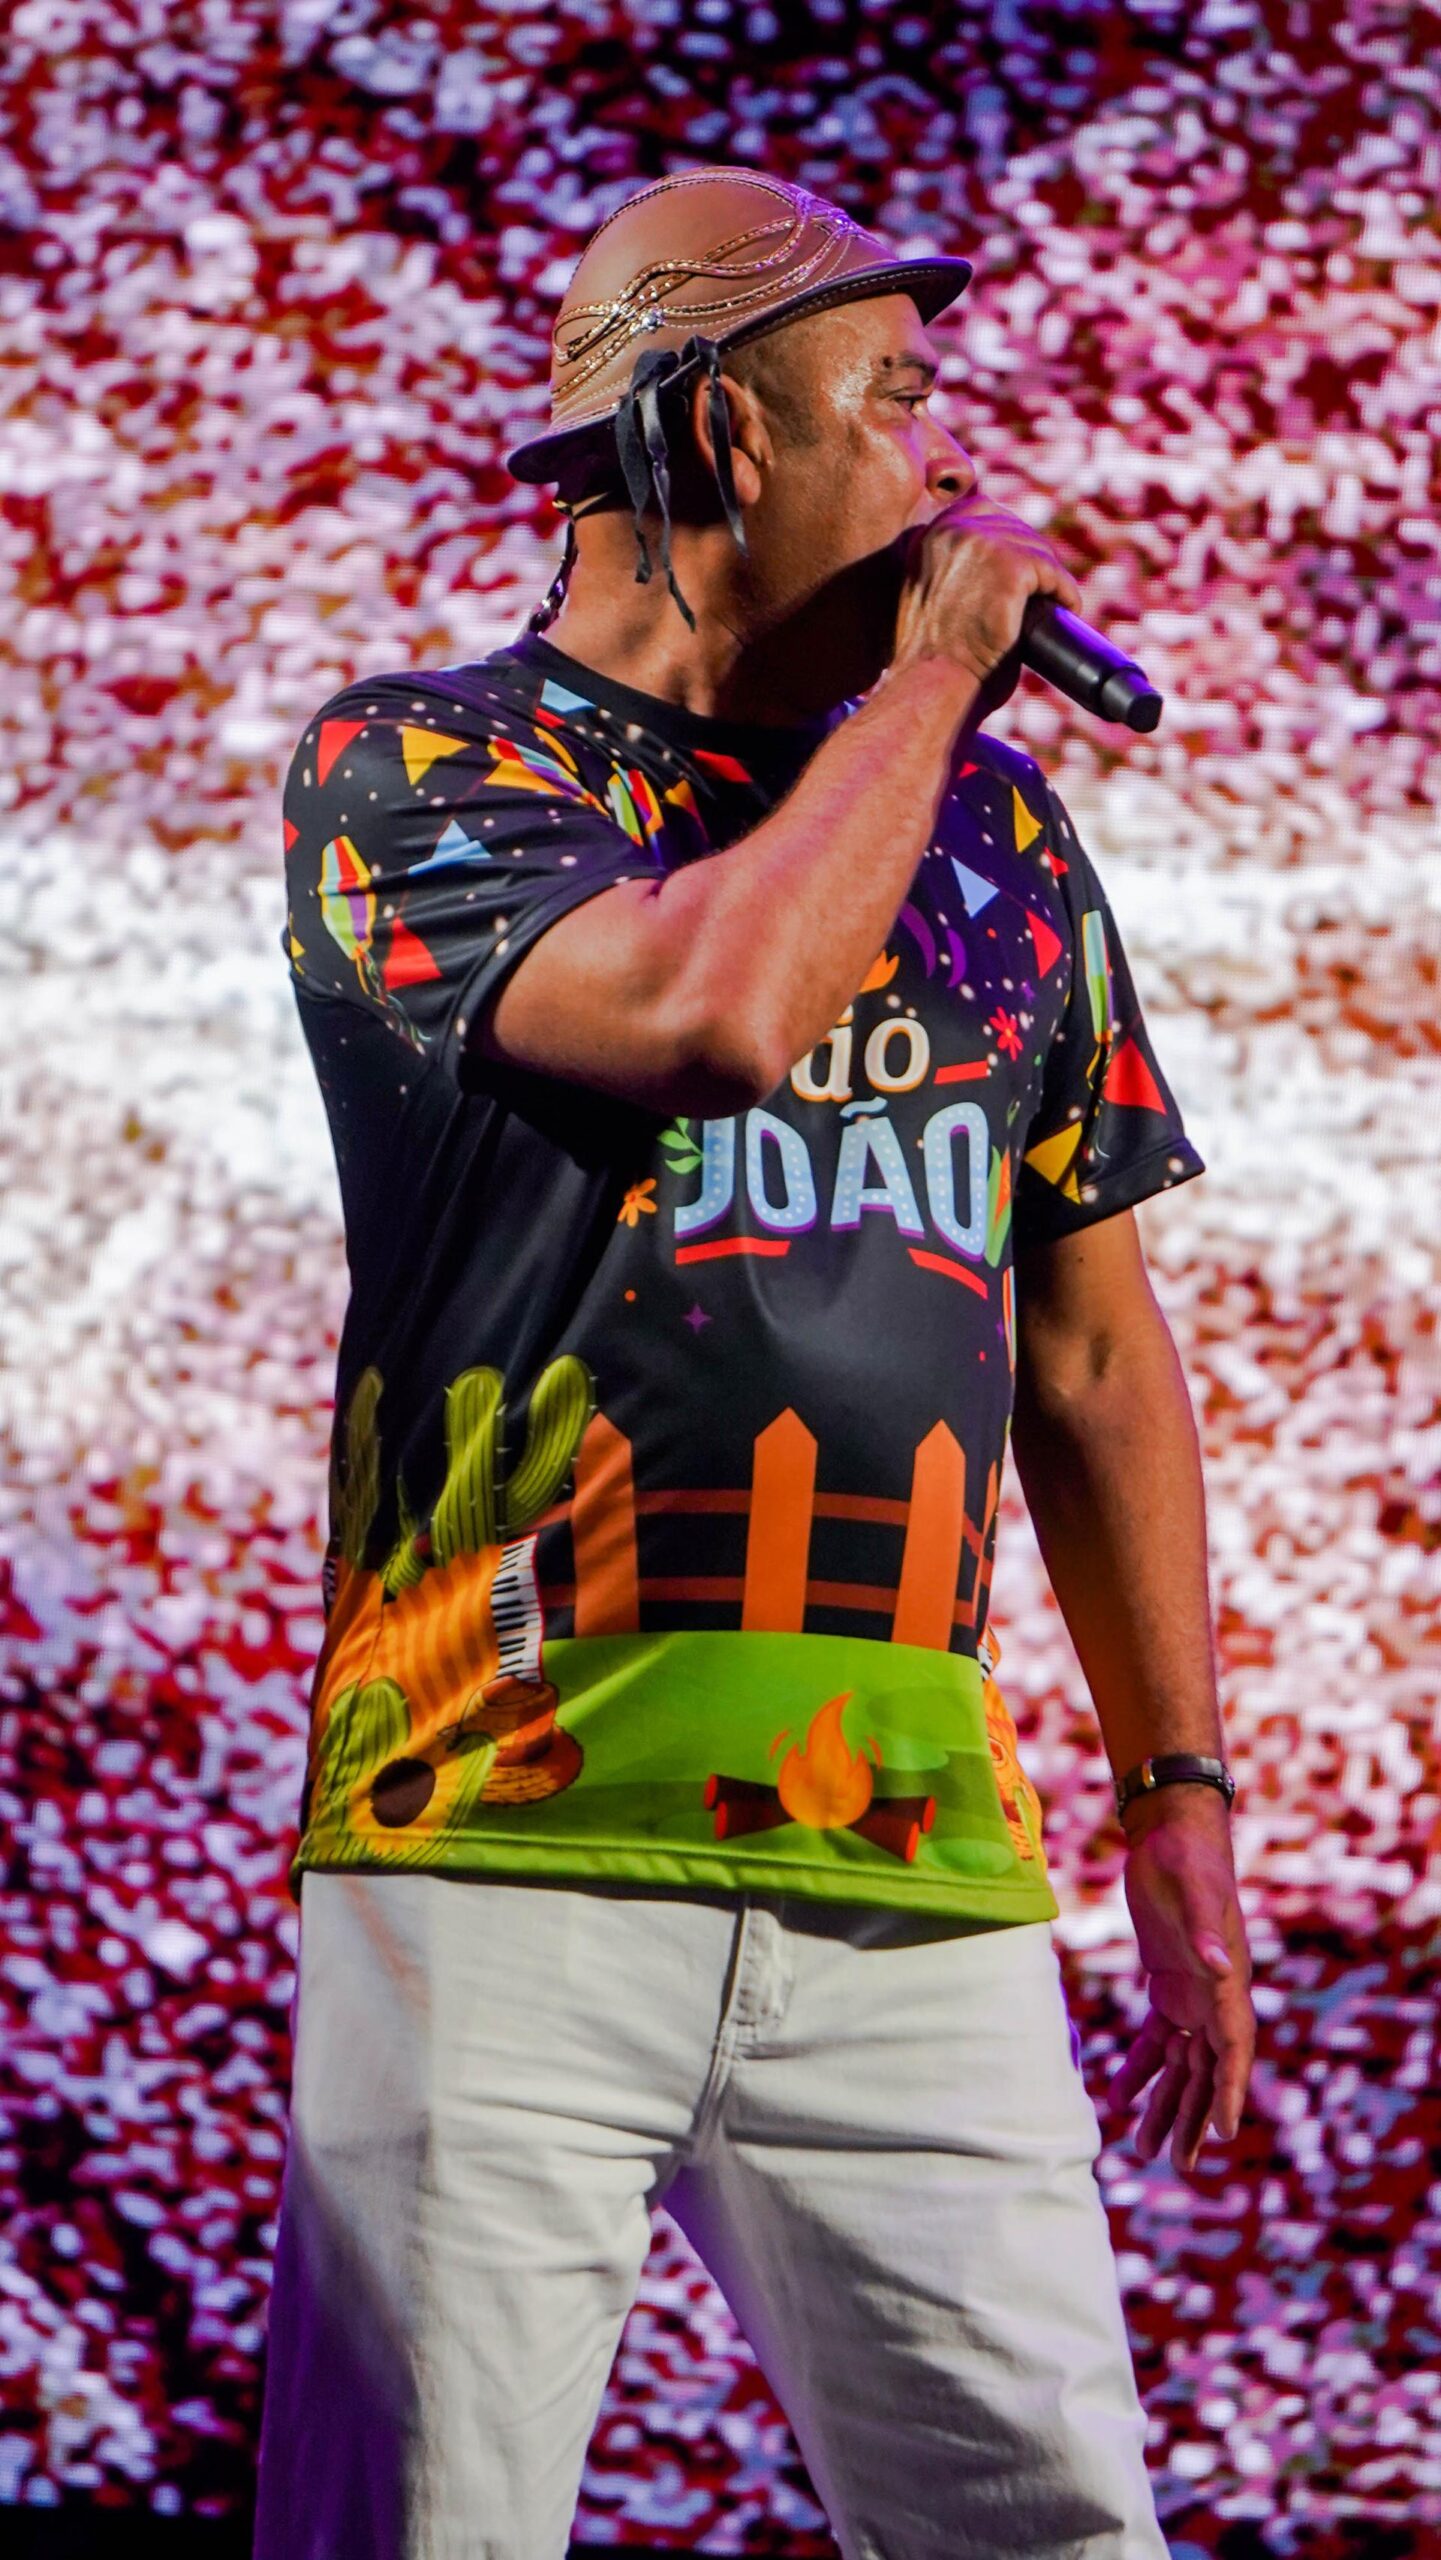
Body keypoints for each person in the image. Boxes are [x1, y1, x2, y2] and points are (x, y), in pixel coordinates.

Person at [256, 167, 1256, 2560]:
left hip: (904, 1853)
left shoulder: (996, 834)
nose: (947, 462)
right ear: (719, 437)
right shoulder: (420, 771)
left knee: (1061, 2529)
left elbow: (1092, 1350)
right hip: (494, 1835)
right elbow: (713, 1009)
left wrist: (1177, 1792)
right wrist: (932, 679)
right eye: (892, 399)